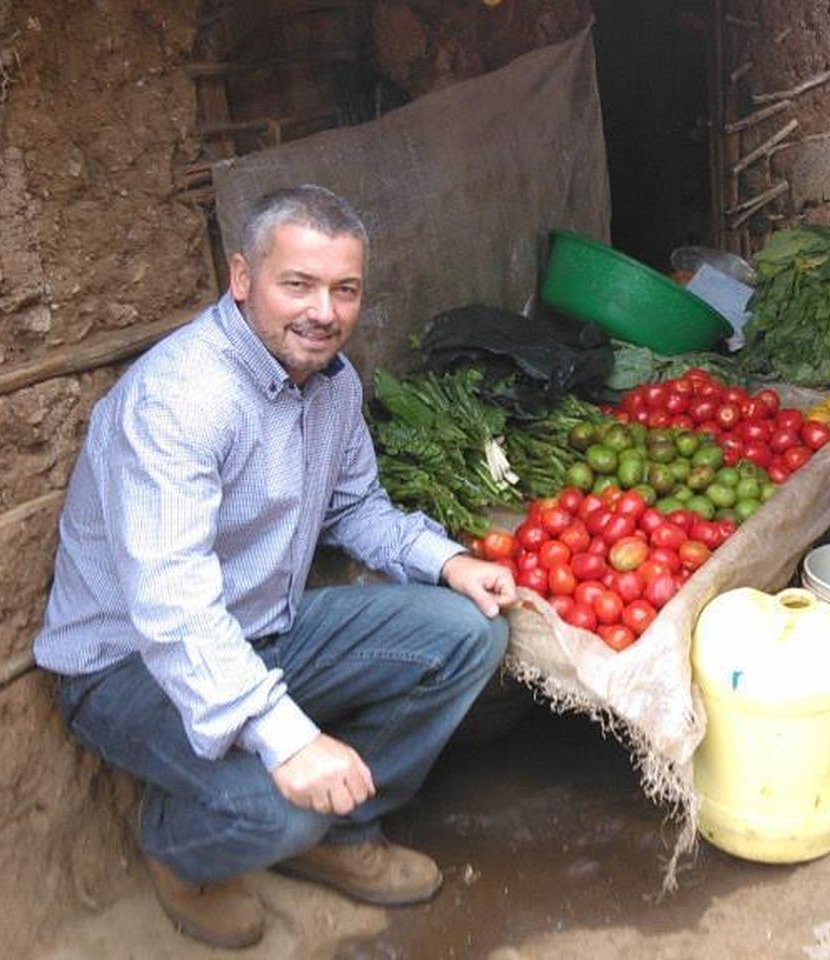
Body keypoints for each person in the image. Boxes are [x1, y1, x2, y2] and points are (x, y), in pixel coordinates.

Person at [34, 184, 516, 950]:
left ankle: (340, 830)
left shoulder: (332, 384)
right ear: (242, 279)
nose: (323, 311)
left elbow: (356, 509)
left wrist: (447, 560)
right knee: (277, 804)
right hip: (128, 666)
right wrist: (284, 736)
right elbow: (173, 606)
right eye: (298, 284)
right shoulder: (182, 399)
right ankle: (179, 848)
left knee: (466, 633)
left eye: (344, 289)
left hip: (264, 629)